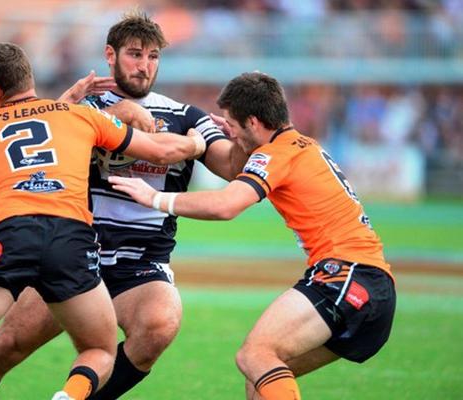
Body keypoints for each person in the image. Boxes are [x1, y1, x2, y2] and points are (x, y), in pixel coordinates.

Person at [0, 11, 247, 400]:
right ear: (110, 55)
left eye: (153, 56)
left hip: (142, 262)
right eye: (135, 54)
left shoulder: (184, 116)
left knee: (160, 324)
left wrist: (246, 136)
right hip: (73, 250)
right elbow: (36, 139)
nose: (144, 66)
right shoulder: (78, 109)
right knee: (6, 345)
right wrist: (114, 114)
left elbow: (229, 166)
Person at [0, 42, 206, 400]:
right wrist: (195, 144)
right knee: (100, 350)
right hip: (69, 239)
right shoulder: (80, 117)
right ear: (29, 78)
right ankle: (70, 395)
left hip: (8, 234)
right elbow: (162, 150)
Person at [109, 72, 397, 400]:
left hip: (345, 275)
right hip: (371, 286)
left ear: (255, 122)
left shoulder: (276, 153)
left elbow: (225, 204)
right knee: (262, 375)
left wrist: (155, 199)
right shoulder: (302, 145)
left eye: (232, 124)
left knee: (253, 355)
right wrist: (235, 131)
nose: (228, 133)